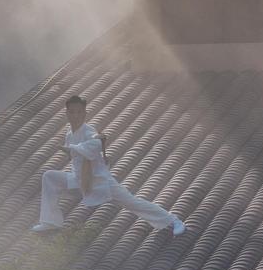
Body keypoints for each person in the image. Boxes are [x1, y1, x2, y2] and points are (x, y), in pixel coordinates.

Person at [31, 95, 186, 235]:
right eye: (72, 112)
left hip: (100, 181)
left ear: (85, 113)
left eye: (79, 112)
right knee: (49, 177)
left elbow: (95, 144)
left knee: (132, 202)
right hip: (79, 180)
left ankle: (173, 220)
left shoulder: (88, 130)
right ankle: (50, 222)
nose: (75, 115)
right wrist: (69, 150)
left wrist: (78, 146)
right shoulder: (69, 134)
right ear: (67, 113)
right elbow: (75, 154)